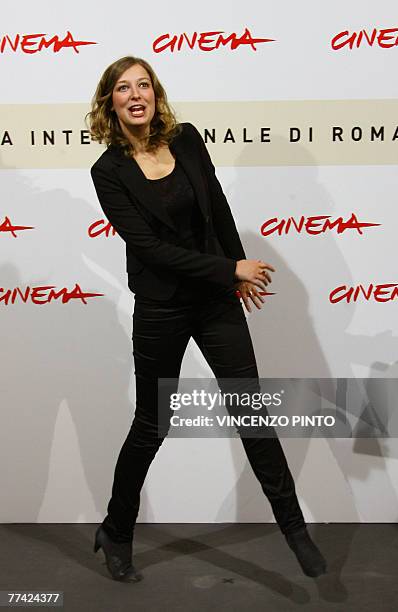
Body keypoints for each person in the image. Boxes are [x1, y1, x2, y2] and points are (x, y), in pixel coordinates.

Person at [87, 56, 327, 582]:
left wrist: (234, 274)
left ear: (155, 94)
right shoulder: (109, 172)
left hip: (214, 301)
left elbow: (217, 210)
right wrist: (229, 267)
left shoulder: (189, 139)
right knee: (152, 424)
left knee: (250, 411)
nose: (135, 95)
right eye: (123, 88)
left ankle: (294, 529)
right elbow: (150, 249)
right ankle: (117, 529)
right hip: (162, 307)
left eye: (143, 85)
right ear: (110, 102)